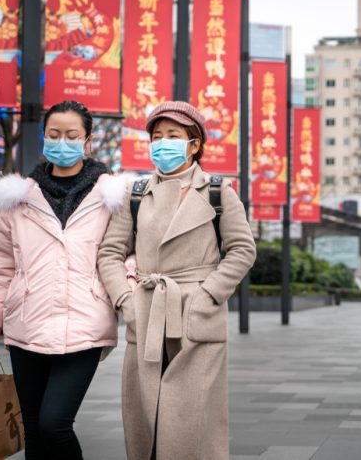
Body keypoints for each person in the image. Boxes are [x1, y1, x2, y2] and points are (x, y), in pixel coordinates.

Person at [97, 101, 256, 460]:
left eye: (173, 136)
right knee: (146, 414)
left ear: (194, 144)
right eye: (156, 137)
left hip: (197, 313)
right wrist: (126, 300)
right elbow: (109, 253)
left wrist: (207, 295)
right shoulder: (135, 194)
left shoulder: (219, 192)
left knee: (193, 418)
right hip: (149, 310)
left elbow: (243, 250)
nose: (162, 143)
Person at [0, 100, 126, 460]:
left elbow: (126, 254)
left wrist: (125, 293)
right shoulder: (19, 199)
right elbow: (1, 267)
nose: (63, 142)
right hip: (27, 323)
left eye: (72, 135)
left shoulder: (111, 198)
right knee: (33, 429)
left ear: (88, 141)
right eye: (54, 134)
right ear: (44, 137)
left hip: (85, 323)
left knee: (54, 423)